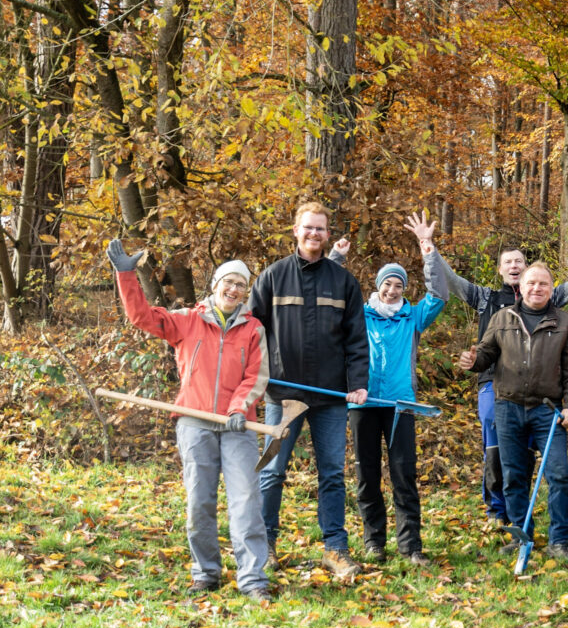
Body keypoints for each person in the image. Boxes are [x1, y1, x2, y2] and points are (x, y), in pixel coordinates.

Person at [106, 240, 272, 602]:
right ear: (214, 285)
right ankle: (206, 572)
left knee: (245, 501)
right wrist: (125, 274)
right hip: (194, 422)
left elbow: (257, 376)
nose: (233, 289)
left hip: (238, 426)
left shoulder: (253, 329)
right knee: (200, 500)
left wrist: (237, 409)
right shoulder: (187, 321)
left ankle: (252, 579)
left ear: (246, 292)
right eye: (227, 282)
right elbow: (142, 317)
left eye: (240, 285)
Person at [432, 216, 568, 525]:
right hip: (495, 386)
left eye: (518, 261)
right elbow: (453, 281)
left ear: (526, 270)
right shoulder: (487, 299)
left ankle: (533, 520)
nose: (513, 265)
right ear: (501, 269)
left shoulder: (547, 298)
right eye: (507, 261)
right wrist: (430, 249)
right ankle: (499, 512)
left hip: (542, 396)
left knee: (535, 458)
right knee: (499, 455)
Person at [249, 202, 370, 578]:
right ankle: (264, 544)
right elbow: (250, 333)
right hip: (283, 395)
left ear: (328, 234)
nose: (314, 234)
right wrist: (256, 380)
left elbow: (356, 340)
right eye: (308, 228)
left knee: (332, 473)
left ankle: (335, 548)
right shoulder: (272, 277)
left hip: (331, 397)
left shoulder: (344, 281)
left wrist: (358, 384)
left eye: (320, 229)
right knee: (271, 471)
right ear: (295, 230)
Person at [327, 211, 447, 567]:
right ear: (376, 285)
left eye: (398, 285)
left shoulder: (414, 317)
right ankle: (373, 542)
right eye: (387, 283)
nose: (392, 290)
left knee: (404, 474)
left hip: (400, 406)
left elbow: (439, 293)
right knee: (367, 476)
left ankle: (411, 546)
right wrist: (335, 257)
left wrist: (428, 250)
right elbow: (330, 289)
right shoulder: (359, 314)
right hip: (362, 404)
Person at [458, 262, 568, 560]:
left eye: (543, 284)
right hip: (508, 407)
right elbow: (486, 354)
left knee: (559, 474)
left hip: (548, 412)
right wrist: (472, 361)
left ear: (551, 289)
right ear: (522, 287)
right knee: (513, 474)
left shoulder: (565, 323)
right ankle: (520, 533)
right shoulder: (503, 318)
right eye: (531, 283)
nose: (536, 288)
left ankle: (559, 540)